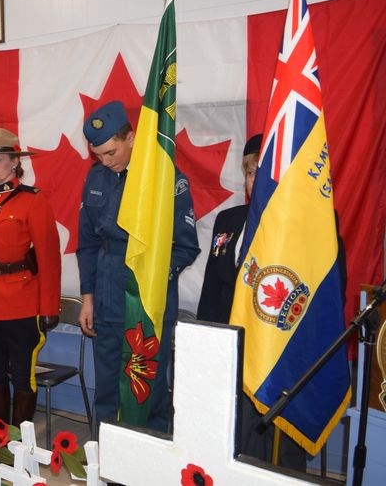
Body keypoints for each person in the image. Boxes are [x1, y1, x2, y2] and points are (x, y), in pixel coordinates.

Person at [76, 101, 200, 433]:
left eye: (111, 152)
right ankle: (106, 466)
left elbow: (186, 247)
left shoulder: (164, 177)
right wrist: (87, 298)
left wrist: (151, 280)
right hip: (105, 300)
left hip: (147, 306)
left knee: (149, 393)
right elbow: (87, 244)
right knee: (106, 391)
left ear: (131, 136)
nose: (105, 160)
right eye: (98, 154)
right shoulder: (97, 177)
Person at [196, 134, 306, 471]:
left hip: (283, 355)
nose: (255, 180)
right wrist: (205, 343)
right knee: (235, 441)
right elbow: (213, 289)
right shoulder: (228, 222)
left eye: (264, 172)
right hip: (235, 351)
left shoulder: (309, 225)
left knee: (280, 453)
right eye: (249, 172)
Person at [0, 128, 61, 468]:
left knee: (22, 376)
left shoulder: (33, 201)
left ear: (15, 162)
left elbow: (49, 257)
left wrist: (49, 307)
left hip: (22, 303)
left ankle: (19, 444)